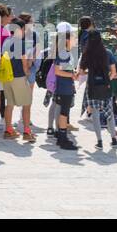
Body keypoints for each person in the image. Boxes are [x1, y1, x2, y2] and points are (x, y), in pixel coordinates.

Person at [78, 29, 117, 148]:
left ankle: (99, 141)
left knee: (95, 114)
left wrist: (88, 72)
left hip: (92, 86)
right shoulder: (108, 52)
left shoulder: (87, 54)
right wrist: (106, 80)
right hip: (105, 86)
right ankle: (114, 139)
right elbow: (114, 72)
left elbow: (81, 72)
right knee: (109, 113)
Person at [1, 13, 37, 142]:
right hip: (18, 77)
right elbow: (24, 62)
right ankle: (27, 131)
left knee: (9, 104)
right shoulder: (19, 43)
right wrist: (27, 72)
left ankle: (8, 130)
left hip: (6, 77)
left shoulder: (6, 41)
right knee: (27, 104)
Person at [52, 22, 79, 150]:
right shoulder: (64, 53)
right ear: (68, 40)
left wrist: (73, 73)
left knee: (64, 112)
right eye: (74, 37)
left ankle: (61, 136)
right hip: (64, 88)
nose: (76, 40)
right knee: (64, 113)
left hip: (66, 87)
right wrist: (72, 76)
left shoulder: (66, 52)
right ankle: (63, 138)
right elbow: (57, 71)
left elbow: (66, 70)